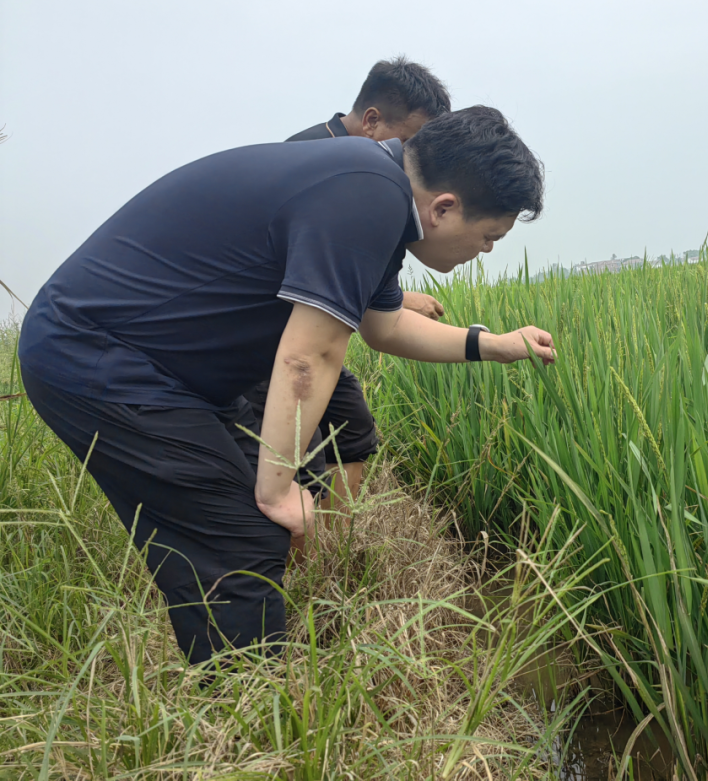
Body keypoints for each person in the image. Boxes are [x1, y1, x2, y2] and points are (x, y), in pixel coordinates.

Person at [19, 105, 553, 665]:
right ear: (445, 208)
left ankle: (252, 645)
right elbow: (310, 356)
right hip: (98, 356)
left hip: (155, 365)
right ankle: (246, 725)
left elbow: (385, 327)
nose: (487, 250)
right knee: (244, 540)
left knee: (270, 508)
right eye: (489, 235)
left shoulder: (374, 187)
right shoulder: (369, 195)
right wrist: (276, 490)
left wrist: (492, 344)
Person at [247, 57, 451, 512]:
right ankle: (302, 565)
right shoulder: (319, 159)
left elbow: (346, 275)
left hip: (301, 329)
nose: (418, 161)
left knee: (354, 430)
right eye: (412, 144)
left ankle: (334, 550)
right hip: (264, 338)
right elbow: (309, 282)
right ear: (373, 122)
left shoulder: (372, 181)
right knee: (302, 459)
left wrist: (399, 300)